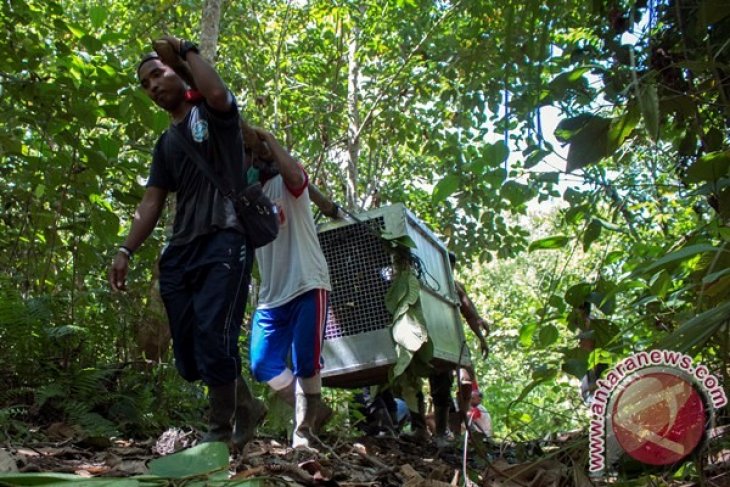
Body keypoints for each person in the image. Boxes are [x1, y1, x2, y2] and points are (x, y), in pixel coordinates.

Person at [108, 36, 265, 448]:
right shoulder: (167, 143)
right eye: (145, 83)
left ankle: (219, 432)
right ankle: (247, 405)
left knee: (216, 334)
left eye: (157, 73)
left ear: (178, 71)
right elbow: (152, 199)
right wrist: (126, 249)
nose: (153, 85)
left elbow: (216, 90)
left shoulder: (214, 114)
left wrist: (185, 50)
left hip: (226, 237)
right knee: (191, 355)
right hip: (182, 249)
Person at [247, 129, 334, 449]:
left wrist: (269, 139)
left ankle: (304, 430)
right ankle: (316, 409)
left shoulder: (288, 183)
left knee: (306, 362)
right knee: (261, 362)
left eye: (253, 152)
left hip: (307, 282)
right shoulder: (246, 194)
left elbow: (296, 175)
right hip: (272, 294)